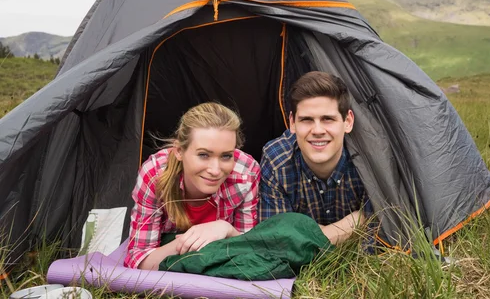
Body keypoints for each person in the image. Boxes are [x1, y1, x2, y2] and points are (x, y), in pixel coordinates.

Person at [124, 102, 260, 270]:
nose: (215, 170)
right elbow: (138, 259)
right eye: (203, 155)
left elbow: (248, 250)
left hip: (220, 253)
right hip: (169, 249)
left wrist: (225, 229)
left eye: (226, 156)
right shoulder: (154, 174)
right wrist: (190, 241)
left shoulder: (246, 173)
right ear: (179, 151)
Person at [259, 71, 371, 245]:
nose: (318, 131)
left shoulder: (370, 159)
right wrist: (357, 221)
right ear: (292, 123)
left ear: (347, 121)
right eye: (307, 120)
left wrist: (304, 235)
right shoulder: (276, 159)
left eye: (327, 119)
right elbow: (277, 241)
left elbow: (381, 228)